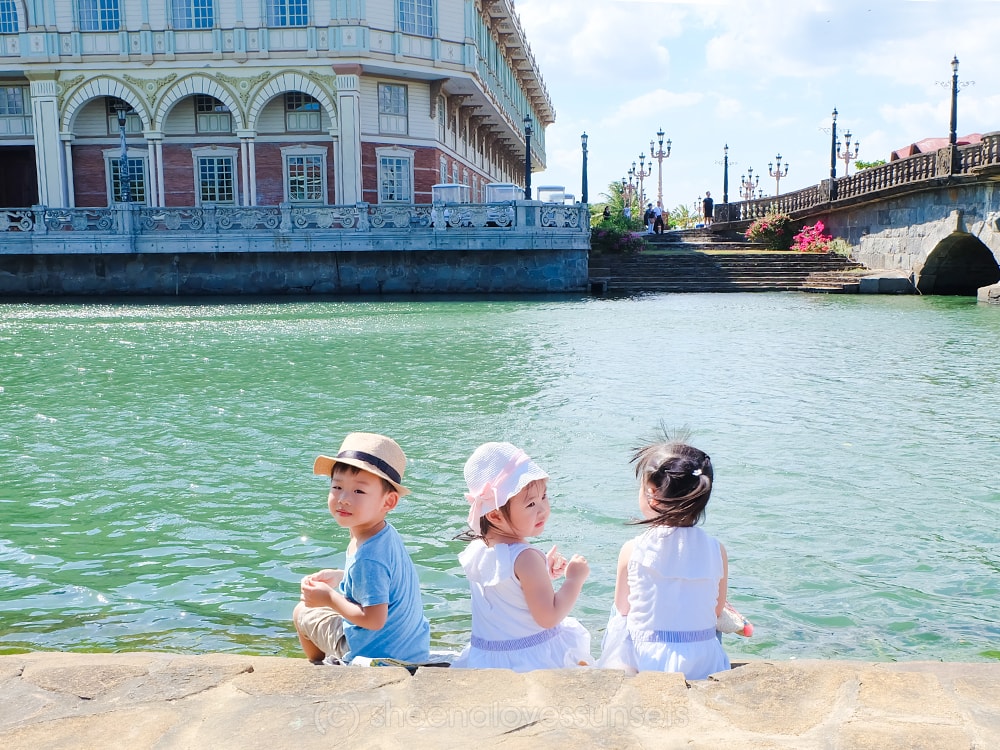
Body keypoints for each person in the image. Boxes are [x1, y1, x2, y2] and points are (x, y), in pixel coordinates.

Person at [451, 442, 592, 671]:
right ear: (495, 515)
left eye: (544, 497)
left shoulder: (478, 548)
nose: (543, 509)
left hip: (488, 659)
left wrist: (543, 574)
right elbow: (549, 617)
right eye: (531, 504)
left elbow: (508, 591)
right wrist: (574, 580)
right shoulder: (527, 558)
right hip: (531, 662)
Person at [293, 432, 430, 665]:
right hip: (410, 650)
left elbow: (374, 620)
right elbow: (384, 580)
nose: (344, 498)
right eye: (337, 487)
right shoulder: (384, 535)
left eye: (358, 491)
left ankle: (321, 665)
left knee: (302, 611)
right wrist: (342, 577)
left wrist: (329, 598)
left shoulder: (368, 556)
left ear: (389, 501)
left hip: (377, 656)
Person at [598, 438, 730, 680]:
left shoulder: (633, 548)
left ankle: (619, 672)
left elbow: (622, 607)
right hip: (703, 663)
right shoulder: (716, 549)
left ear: (652, 495)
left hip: (647, 661)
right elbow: (718, 608)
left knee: (619, 615)